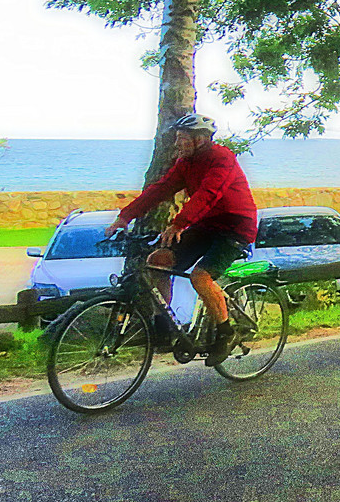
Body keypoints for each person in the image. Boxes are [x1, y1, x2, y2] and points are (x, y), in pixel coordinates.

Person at [104, 113, 256, 366]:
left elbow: (209, 194)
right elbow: (160, 189)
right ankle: (165, 327)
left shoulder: (222, 158)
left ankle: (226, 333)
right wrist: (125, 217)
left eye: (182, 139)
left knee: (201, 277)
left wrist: (179, 223)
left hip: (235, 227)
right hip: (206, 225)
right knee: (159, 260)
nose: (177, 144)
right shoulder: (186, 163)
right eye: (177, 138)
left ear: (200, 139)